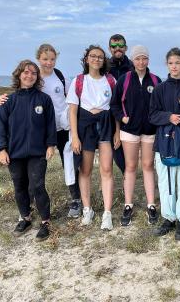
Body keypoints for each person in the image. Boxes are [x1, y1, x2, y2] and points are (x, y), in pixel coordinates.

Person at [0, 44, 82, 218]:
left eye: (52, 59)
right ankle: (28, 204)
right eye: (45, 59)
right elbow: (21, 98)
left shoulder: (60, 76)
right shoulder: (33, 78)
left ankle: (76, 199)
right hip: (41, 132)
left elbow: (72, 100)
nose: (48, 63)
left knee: (70, 164)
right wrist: (2, 98)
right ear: (38, 59)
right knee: (32, 169)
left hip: (63, 128)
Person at [0, 60, 57, 241]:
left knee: (37, 185)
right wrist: (1, 149)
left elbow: (50, 125)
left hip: (38, 153)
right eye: (26, 72)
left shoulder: (43, 99)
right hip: (14, 153)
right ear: (19, 75)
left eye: (33, 73)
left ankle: (46, 221)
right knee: (19, 187)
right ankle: (26, 218)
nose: (29, 76)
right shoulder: (9, 101)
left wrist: (50, 145)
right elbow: (0, 127)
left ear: (37, 77)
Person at [149, 47, 180, 241]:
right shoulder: (160, 88)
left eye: (177, 63)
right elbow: (152, 114)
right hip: (164, 142)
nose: (174, 66)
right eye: (171, 63)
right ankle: (168, 218)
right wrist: (168, 117)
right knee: (166, 181)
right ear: (167, 65)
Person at [66, 45, 117, 230]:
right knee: (85, 170)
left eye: (100, 57)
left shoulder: (110, 81)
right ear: (87, 59)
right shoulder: (78, 81)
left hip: (105, 125)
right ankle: (88, 209)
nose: (96, 59)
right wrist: (75, 137)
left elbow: (116, 108)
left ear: (104, 61)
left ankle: (107, 213)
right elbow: (72, 112)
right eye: (93, 56)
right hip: (85, 126)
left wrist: (117, 132)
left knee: (106, 169)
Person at [111, 45, 161, 226]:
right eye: (138, 58)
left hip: (149, 131)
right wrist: (122, 119)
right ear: (133, 60)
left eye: (144, 58)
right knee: (130, 167)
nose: (141, 62)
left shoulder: (155, 80)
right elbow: (114, 104)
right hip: (129, 131)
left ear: (148, 60)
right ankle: (128, 204)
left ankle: (151, 205)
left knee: (148, 166)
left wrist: (155, 122)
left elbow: (161, 105)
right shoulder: (124, 79)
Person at [108, 33, 133, 174]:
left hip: (129, 114)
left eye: (121, 46)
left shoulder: (132, 66)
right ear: (109, 48)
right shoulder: (105, 67)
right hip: (111, 115)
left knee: (129, 151)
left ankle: (128, 177)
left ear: (125, 47)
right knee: (116, 151)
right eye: (114, 46)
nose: (117, 48)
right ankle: (125, 174)